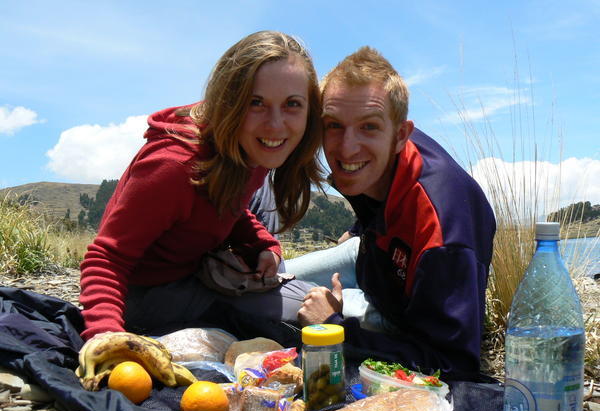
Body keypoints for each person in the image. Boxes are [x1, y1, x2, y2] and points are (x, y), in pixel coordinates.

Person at [79, 31, 323, 343]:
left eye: (292, 104)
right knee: (304, 319)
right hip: (143, 295)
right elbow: (107, 260)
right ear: (230, 101)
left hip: (192, 271)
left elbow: (226, 207)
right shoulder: (174, 166)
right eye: (256, 102)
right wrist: (106, 338)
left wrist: (262, 244)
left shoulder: (251, 147)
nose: (275, 125)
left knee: (313, 302)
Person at [287, 47, 496, 380]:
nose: (347, 147)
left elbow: (454, 365)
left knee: (278, 312)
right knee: (269, 281)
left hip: (401, 315)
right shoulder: (385, 133)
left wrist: (335, 328)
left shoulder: (442, 235)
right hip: (370, 261)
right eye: (334, 126)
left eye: (368, 127)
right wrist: (360, 229)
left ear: (401, 135)